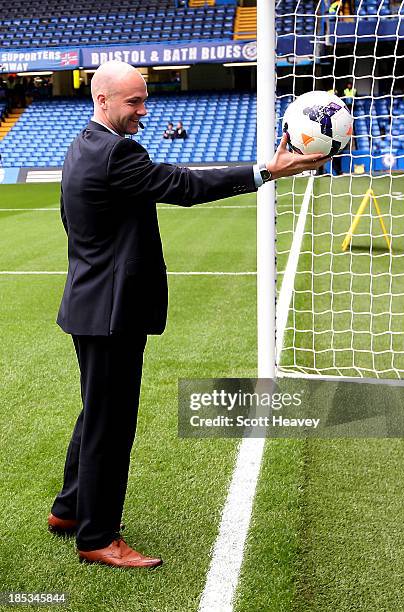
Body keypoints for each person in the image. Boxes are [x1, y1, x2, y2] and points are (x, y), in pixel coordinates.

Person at [49, 60, 325, 569]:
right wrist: (266, 171)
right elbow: (183, 185)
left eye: (144, 98)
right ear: (103, 100)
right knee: (111, 426)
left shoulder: (80, 145)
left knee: (97, 413)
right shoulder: (117, 153)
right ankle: (97, 536)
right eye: (133, 101)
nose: (143, 110)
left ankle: (69, 510)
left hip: (89, 302)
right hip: (111, 313)